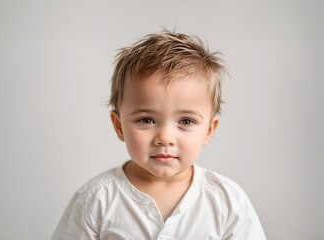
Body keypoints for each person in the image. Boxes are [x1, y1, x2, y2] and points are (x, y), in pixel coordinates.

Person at [52, 30, 266, 239]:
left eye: (186, 121)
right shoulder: (96, 200)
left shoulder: (228, 201)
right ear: (119, 126)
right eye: (146, 120)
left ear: (209, 130)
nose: (165, 137)